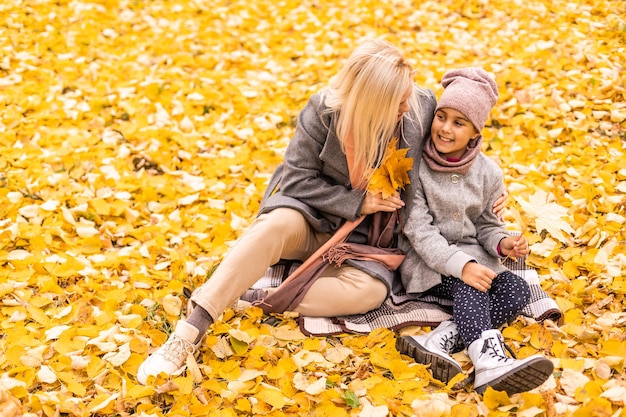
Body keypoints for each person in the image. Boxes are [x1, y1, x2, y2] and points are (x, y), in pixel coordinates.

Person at [136, 41, 506, 385]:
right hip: (312, 219)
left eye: (407, 99)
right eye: (397, 103)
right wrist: (356, 202)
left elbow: (458, 132)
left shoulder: (419, 107)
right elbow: (296, 181)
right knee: (274, 226)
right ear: (371, 103)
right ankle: (190, 330)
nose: (406, 109)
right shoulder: (322, 113)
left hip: (367, 240)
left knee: (370, 294)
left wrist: (491, 183)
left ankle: (244, 295)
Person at [395, 67, 553, 395]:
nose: (445, 128)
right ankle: (487, 362)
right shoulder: (417, 167)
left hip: (475, 259)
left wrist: (503, 243)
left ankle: (440, 338)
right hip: (429, 264)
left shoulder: (488, 173)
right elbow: (419, 231)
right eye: (441, 116)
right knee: (473, 289)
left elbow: (487, 225)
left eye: (458, 122)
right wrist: (462, 266)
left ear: (475, 132)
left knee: (516, 290)